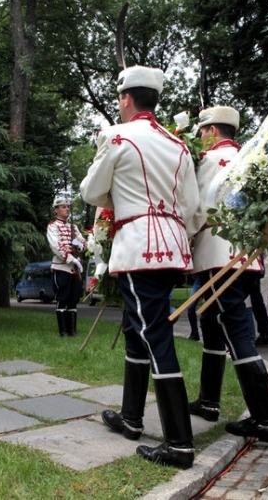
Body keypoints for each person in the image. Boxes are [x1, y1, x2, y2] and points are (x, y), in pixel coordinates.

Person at [80, 65, 201, 469]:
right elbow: (192, 209)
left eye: (119, 99)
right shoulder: (178, 145)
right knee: (138, 329)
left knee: (152, 334)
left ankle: (180, 443)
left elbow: (91, 191)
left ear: (126, 99)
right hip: (172, 248)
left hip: (138, 248)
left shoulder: (117, 136)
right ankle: (131, 417)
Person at [189, 105, 268, 442]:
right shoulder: (251, 157)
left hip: (217, 256)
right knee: (212, 328)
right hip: (246, 256)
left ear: (212, 131)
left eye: (202, 131)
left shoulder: (208, 161)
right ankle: (209, 402)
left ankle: (265, 420)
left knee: (236, 332)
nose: (200, 137)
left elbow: (196, 209)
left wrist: (182, 238)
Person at [46, 195, 86, 337]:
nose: (67, 209)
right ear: (56, 210)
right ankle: (63, 331)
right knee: (62, 298)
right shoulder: (52, 227)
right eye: (63, 207)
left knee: (73, 300)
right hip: (62, 267)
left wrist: (79, 246)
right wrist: (70, 258)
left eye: (68, 206)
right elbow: (56, 246)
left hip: (74, 269)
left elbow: (83, 242)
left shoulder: (73, 227)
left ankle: (72, 331)